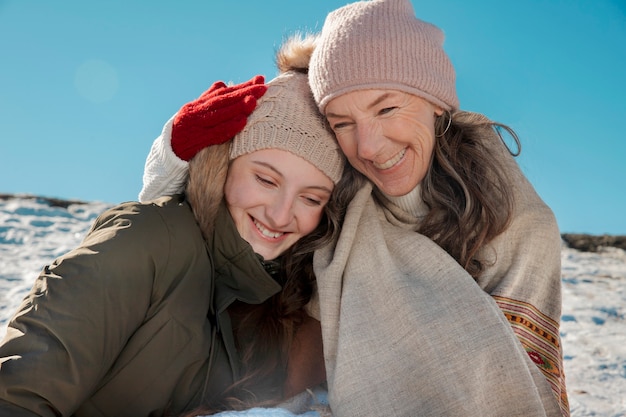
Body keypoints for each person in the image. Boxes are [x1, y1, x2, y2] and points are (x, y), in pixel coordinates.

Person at [140, 3, 568, 416]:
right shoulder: (330, 168)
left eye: (386, 109)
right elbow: (197, 208)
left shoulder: (512, 217)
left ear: (436, 101)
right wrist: (175, 153)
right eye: (342, 123)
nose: (368, 147)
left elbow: (509, 381)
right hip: (237, 357)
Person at [0, 49, 354, 416]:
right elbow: (18, 396)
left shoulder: (278, 303)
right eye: (265, 179)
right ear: (224, 167)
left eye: (311, 198)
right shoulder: (147, 241)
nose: (281, 215)